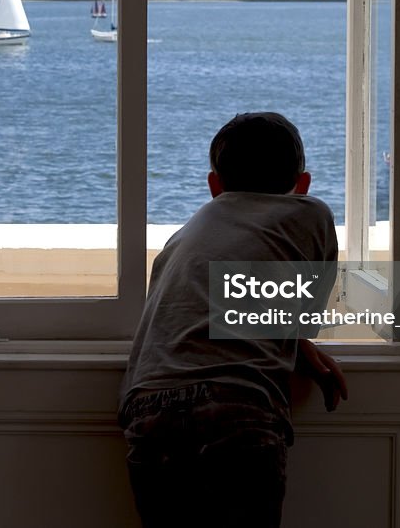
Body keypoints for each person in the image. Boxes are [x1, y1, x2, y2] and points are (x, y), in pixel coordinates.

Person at [118, 111, 347, 528]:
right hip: (237, 403)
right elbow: (296, 315)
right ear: (303, 184)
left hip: (149, 408)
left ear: (214, 187)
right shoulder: (311, 214)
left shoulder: (182, 237)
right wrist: (299, 344)